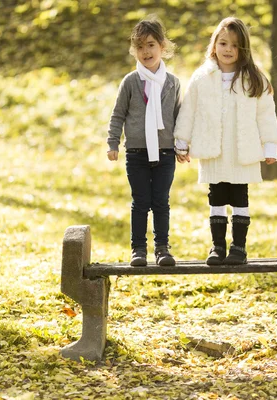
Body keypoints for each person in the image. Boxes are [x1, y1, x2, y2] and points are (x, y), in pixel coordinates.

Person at [174, 17, 277, 265]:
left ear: (243, 49)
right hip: (215, 150)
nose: (228, 50)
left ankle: (239, 248)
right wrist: (182, 141)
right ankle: (217, 247)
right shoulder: (202, 77)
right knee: (217, 197)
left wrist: (270, 145)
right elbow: (188, 110)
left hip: (242, 150)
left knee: (240, 197)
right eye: (223, 43)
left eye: (235, 45)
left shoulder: (254, 79)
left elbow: (265, 114)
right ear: (214, 45)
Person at [107, 17, 181, 266]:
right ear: (134, 51)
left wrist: (182, 145)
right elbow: (118, 114)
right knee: (140, 202)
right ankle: (138, 249)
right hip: (137, 152)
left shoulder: (172, 83)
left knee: (161, 202)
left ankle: (162, 248)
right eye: (139, 47)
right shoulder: (130, 82)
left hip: (165, 152)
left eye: (150, 45)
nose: (146, 51)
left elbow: (179, 118)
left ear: (162, 46)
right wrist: (113, 142)